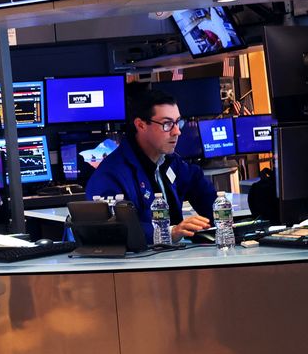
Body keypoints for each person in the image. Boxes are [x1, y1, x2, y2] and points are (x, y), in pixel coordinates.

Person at [85, 89, 216, 244]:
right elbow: (115, 230)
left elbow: (205, 194)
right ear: (141, 125)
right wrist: (170, 233)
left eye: (178, 122)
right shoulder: (110, 175)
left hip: (175, 257)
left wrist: (223, 222)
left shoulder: (172, 162)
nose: (177, 131)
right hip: (138, 265)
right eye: (167, 124)